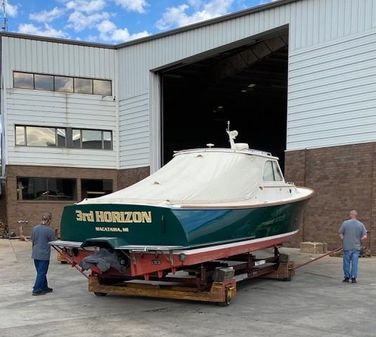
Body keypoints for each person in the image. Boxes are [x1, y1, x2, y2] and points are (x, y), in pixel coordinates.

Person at [338, 210, 367, 284]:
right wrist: (360, 239)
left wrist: (344, 239)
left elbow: (340, 233)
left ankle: (347, 277)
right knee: (355, 263)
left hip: (347, 246)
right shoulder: (361, 224)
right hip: (356, 247)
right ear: (356, 215)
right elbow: (365, 236)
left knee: (346, 262)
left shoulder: (345, 223)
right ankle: (353, 277)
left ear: (350, 215)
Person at [31, 212, 56, 296]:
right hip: (44, 255)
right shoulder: (49, 230)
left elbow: (33, 240)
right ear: (49, 220)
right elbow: (53, 241)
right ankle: (36, 289)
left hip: (35, 253)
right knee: (42, 272)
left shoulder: (34, 228)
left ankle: (44, 287)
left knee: (40, 272)